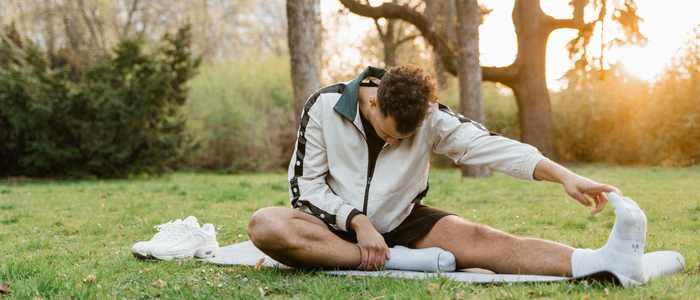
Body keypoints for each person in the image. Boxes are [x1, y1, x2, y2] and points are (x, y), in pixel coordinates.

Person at [247, 65, 646, 281]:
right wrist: (356, 220)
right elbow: (305, 189)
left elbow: (490, 146)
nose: (397, 142)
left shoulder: (430, 116)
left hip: (403, 220)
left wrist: (563, 176)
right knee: (266, 225)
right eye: (390, 134)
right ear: (373, 105)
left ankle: (599, 262)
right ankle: (392, 261)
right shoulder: (323, 107)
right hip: (333, 227)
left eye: (407, 137)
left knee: (484, 239)